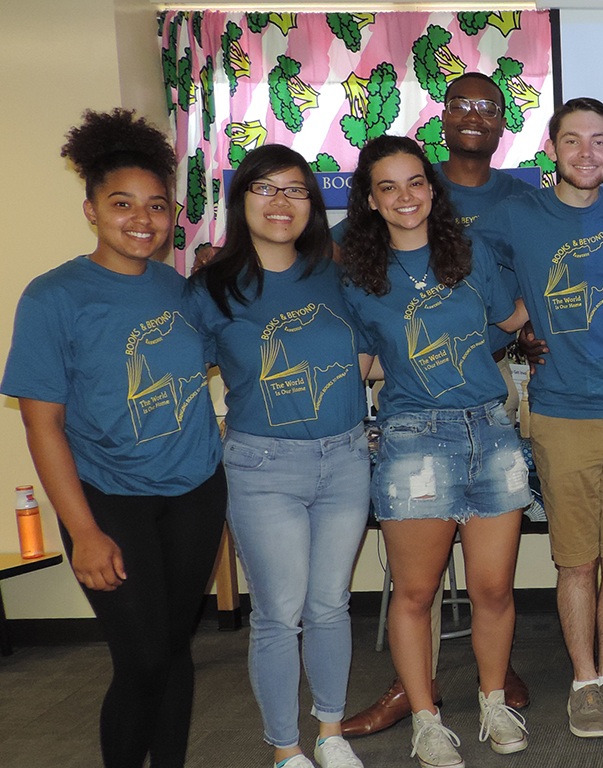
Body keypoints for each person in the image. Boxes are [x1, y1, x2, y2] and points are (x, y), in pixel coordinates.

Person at [1, 108, 225, 768]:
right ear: (91, 208)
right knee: (142, 657)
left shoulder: (180, 290)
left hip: (195, 491)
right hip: (109, 498)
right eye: (122, 203)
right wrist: (85, 531)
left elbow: (227, 349)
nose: (142, 219)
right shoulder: (54, 297)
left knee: (176, 648)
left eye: (157, 205)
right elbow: (43, 423)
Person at [338, 71, 536, 740]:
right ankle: (426, 719)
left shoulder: (471, 254)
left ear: (432, 189)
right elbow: (364, 362)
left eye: (415, 183)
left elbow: (513, 317)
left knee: (493, 591)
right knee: (416, 593)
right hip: (411, 439)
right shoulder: (359, 277)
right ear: (369, 199)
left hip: (491, 432)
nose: (405, 197)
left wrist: (477, 350)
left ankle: (491, 705)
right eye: (387, 187)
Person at [476, 97, 603, 739]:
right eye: (573, 140)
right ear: (551, 149)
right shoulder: (516, 214)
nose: (587, 153)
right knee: (576, 562)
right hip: (560, 412)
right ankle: (583, 683)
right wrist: (514, 321)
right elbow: (465, 258)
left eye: (600, 141)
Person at [186, 144, 371, 768]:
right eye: (265, 188)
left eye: (295, 189)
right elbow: (179, 378)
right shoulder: (212, 285)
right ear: (241, 202)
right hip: (263, 468)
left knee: (329, 605)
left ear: (313, 205)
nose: (280, 201)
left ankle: (330, 732)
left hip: (346, 459)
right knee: (279, 612)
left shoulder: (336, 274)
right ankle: (285, 749)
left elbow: (371, 351)